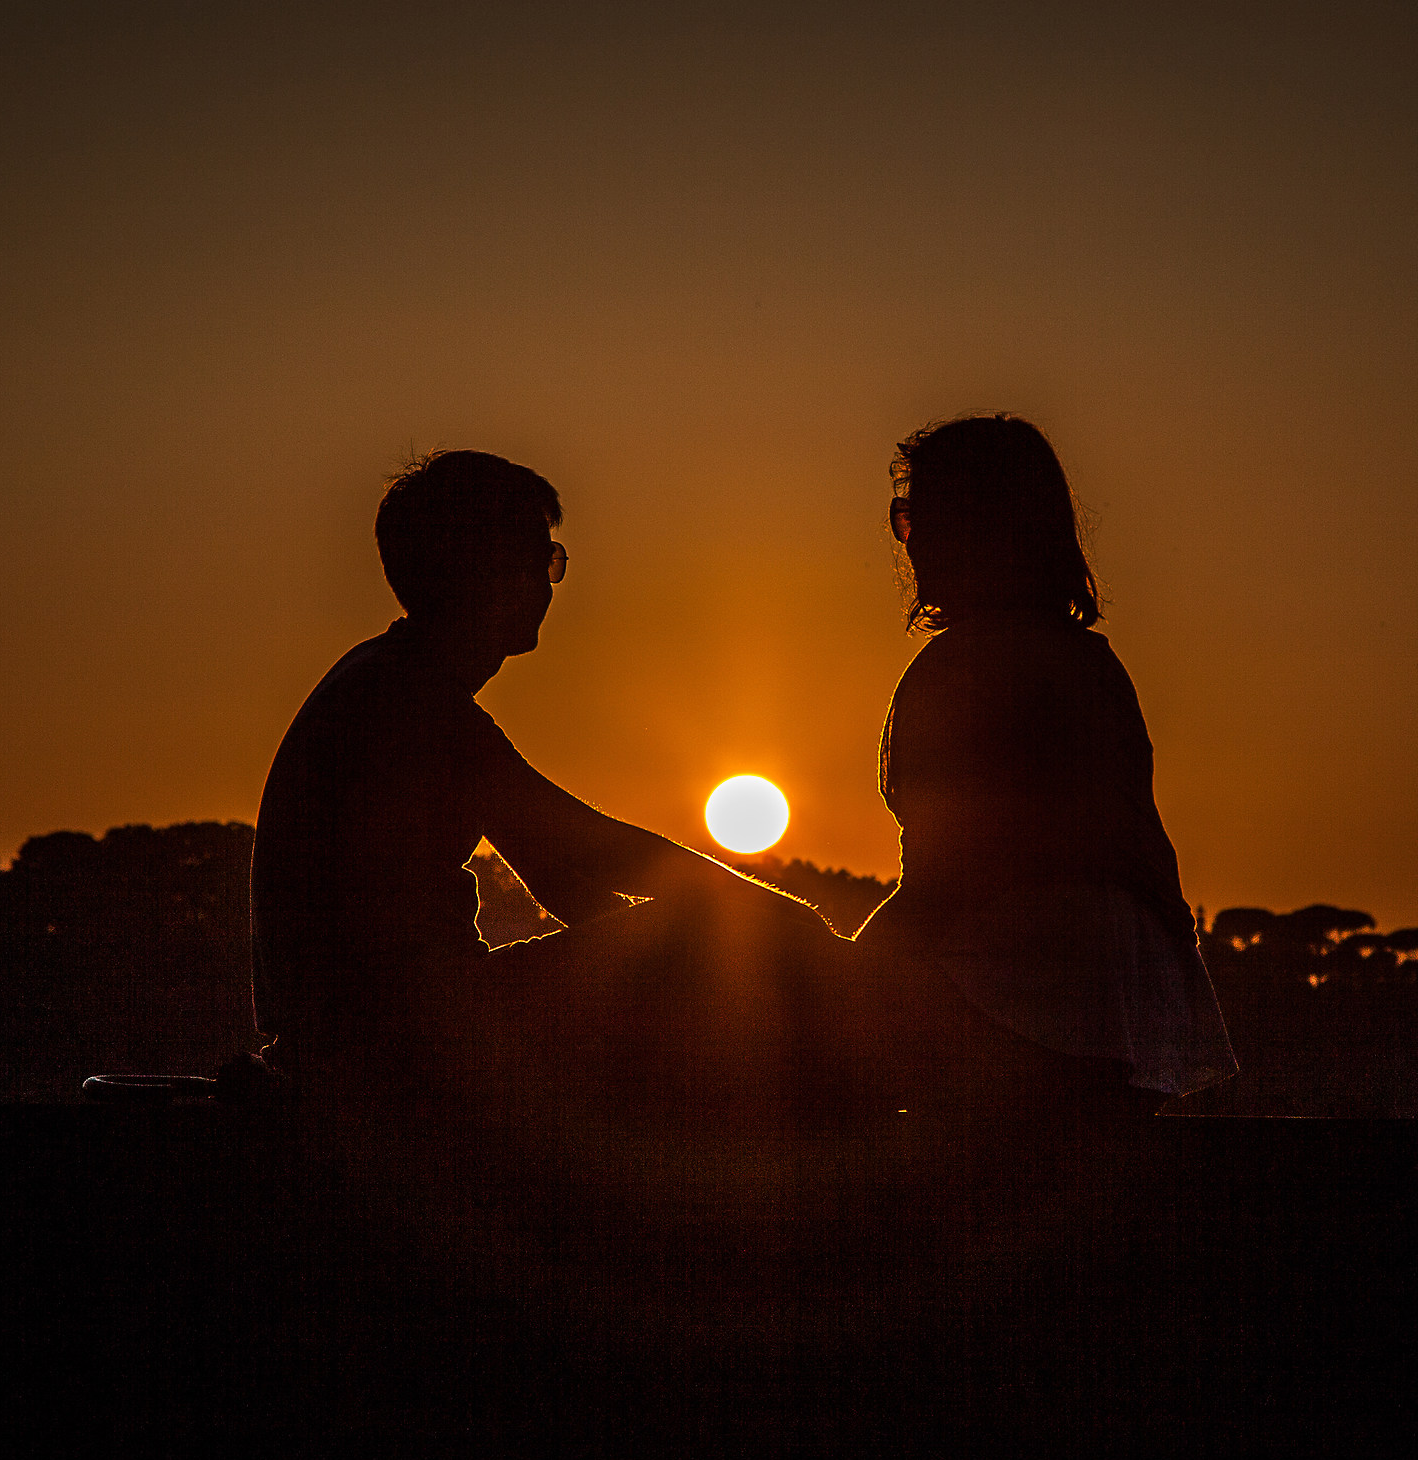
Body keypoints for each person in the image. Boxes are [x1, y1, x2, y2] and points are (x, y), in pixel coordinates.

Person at [249, 449, 827, 1105]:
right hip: (400, 1045)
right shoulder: (415, 706)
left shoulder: (383, 680)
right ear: (486, 570)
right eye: (541, 561)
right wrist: (793, 927)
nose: (548, 584)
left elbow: (562, 881)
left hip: (345, 1041)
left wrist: (650, 961)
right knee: (718, 934)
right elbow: (601, 850)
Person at [852, 415, 1237, 1108]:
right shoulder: (1091, 666)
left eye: (924, 515)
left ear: (985, 527)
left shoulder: (966, 670)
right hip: (1127, 1012)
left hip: (1015, 997)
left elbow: (947, 878)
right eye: (906, 516)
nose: (914, 540)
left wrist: (841, 974)